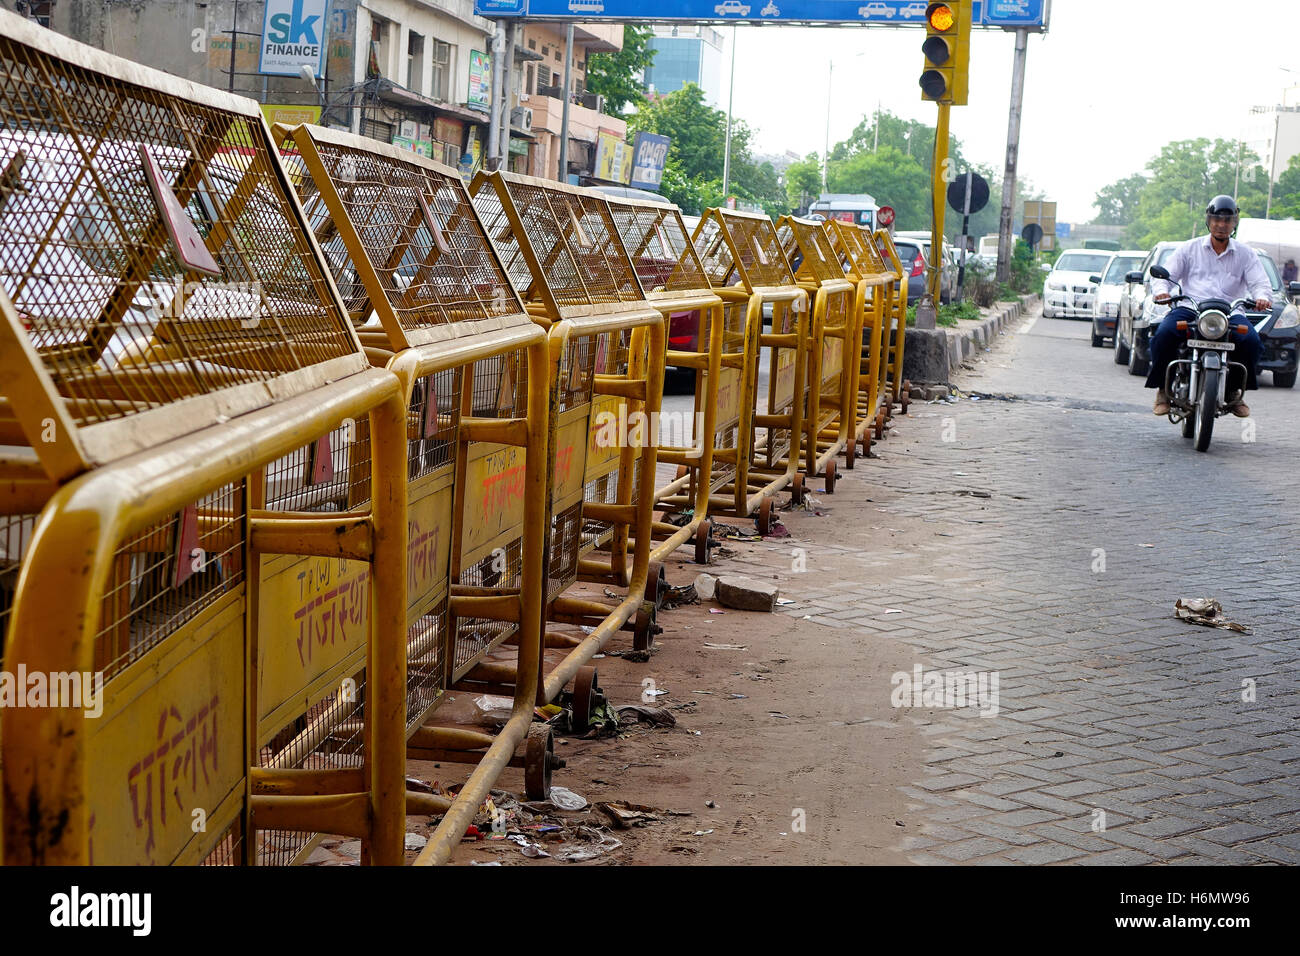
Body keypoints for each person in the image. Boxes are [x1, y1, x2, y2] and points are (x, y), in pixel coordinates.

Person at [1146, 195, 1270, 418]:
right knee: (1163, 334)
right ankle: (1162, 390)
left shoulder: (1246, 254)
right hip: (1191, 308)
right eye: (1217, 220)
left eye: (1227, 220)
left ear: (1234, 223)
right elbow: (1165, 275)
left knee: (1251, 341)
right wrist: (1161, 292)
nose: (1222, 225)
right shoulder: (1189, 248)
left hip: (1230, 312)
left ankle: (1235, 392)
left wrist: (1262, 297)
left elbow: (1260, 282)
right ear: (1208, 221)